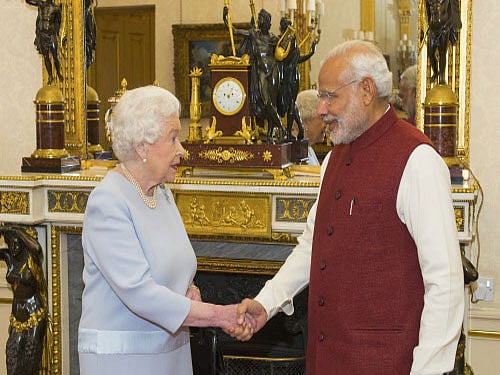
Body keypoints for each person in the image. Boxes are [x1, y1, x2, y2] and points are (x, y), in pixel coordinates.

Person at [229, 40, 464, 374]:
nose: (321, 109)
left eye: (329, 95)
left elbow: (447, 281)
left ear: (366, 90)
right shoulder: (333, 159)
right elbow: (313, 245)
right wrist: (267, 303)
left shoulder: (418, 160)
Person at [78, 85, 251, 374]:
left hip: (170, 353)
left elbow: (174, 267)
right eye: (173, 138)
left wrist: (190, 289)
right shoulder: (108, 201)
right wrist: (220, 315)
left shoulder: (161, 193)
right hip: (124, 360)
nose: (182, 150)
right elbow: (140, 293)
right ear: (142, 146)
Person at [224, 7, 285, 143]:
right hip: (261, 71)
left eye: (263, 20)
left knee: (272, 103)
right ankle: (281, 127)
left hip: (273, 70)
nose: (261, 22)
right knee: (265, 101)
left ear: (268, 23)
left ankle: (270, 134)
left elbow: (283, 53)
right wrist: (225, 18)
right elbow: (233, 31)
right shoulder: (254, 35)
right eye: (260, 20)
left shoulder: (274, 39)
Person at [276, 17, 317, 140]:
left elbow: (298, 59)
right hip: (284, 76)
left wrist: (311, 52)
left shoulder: (292, 41)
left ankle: (289, 132)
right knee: (287, 105)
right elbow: (279, 57)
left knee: (291, 105)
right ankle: (293, 129)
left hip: (293, 76)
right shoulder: (280, 42)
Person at [26, 0, 65, 85]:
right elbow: (30, 1)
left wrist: (58, 33)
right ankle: (50, 76)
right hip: (43, 35)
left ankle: (58, 72)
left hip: (51, 35)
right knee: (46, 56)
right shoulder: (41, 5)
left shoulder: (56, 9)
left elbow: (59, 22)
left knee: (55, 56)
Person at [426, 0, 461, 84]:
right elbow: (427, 12)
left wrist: (450, 27)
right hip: (433, 29)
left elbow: (453, 11)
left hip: (444, 28)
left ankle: (441, 76)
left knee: (442, 53)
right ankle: (435, 71)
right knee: (430, 53)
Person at [295, 89, 326, 166]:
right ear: (306, 121)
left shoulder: (308, 148)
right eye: (322, 118)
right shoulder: (294, 152)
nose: (326, 124)